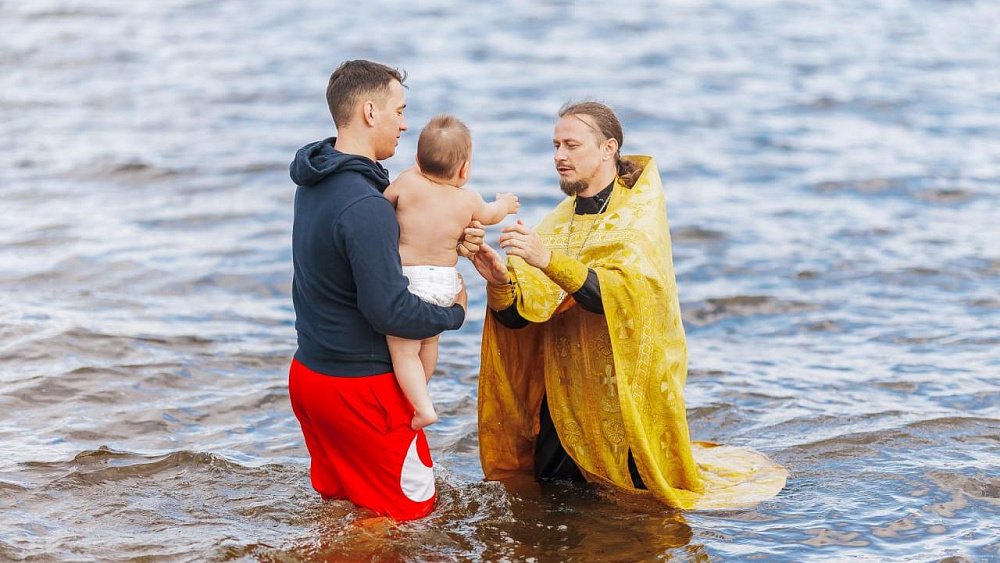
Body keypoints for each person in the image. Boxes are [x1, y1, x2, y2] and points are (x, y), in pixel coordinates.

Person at [470, 101, 787, 510]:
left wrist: (546, 260)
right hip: (563, 400)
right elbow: (518, 320)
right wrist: (498, 281)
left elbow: (620, 297)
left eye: (571, 145)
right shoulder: (554, 224)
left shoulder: (637, 217)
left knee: (643, 512)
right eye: (555, 145)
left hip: (626, 395)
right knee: (547, 506)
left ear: (608, 148)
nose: (560, 156)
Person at [287, 60, 484, 521]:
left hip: (311, 377)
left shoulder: (317, 182)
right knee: (409, 516)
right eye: (400, 110)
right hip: (360, 390)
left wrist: (442, 240)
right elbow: (390, 312)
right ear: (370, 112)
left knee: (346, 510)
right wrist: (454, 312)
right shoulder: (365, 204)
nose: (405, 124)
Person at [383, 115, 520, 431]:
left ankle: (421, 406)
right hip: (445, 283)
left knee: (404, 350)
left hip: (410, 280)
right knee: (430, 342)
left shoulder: (407, 182)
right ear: (464, 170)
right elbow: (491, 215)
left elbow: (379, 206)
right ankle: (422, 392)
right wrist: (505, 204)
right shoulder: (468, 199)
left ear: (417, 159)